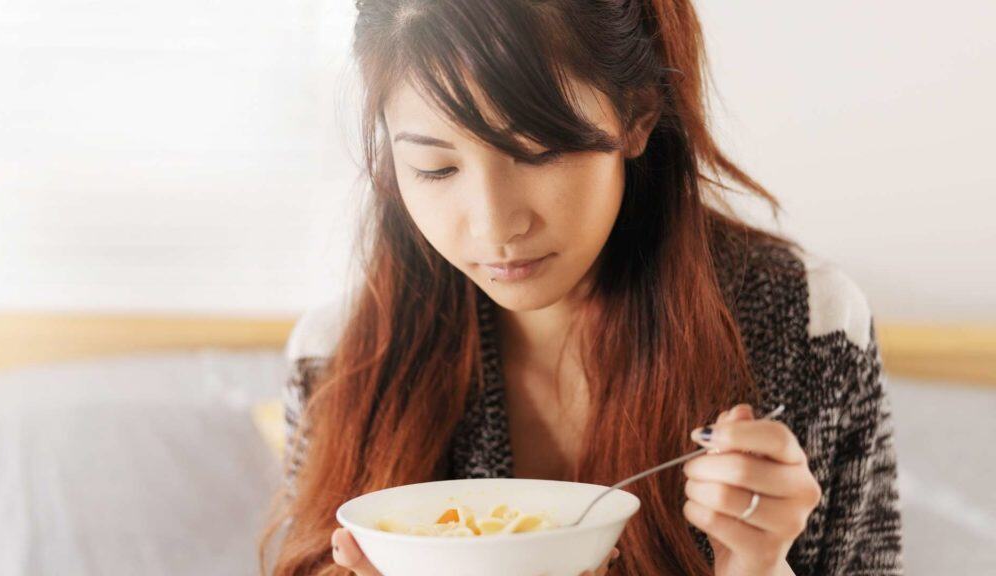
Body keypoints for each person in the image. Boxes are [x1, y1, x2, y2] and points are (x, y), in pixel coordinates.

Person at [260, 1, 904, 574]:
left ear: (637, 114)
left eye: (538, 152)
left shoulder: (805, 328)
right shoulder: (336, 360)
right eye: (436, 167)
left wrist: (757, 570)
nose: (494, 226)